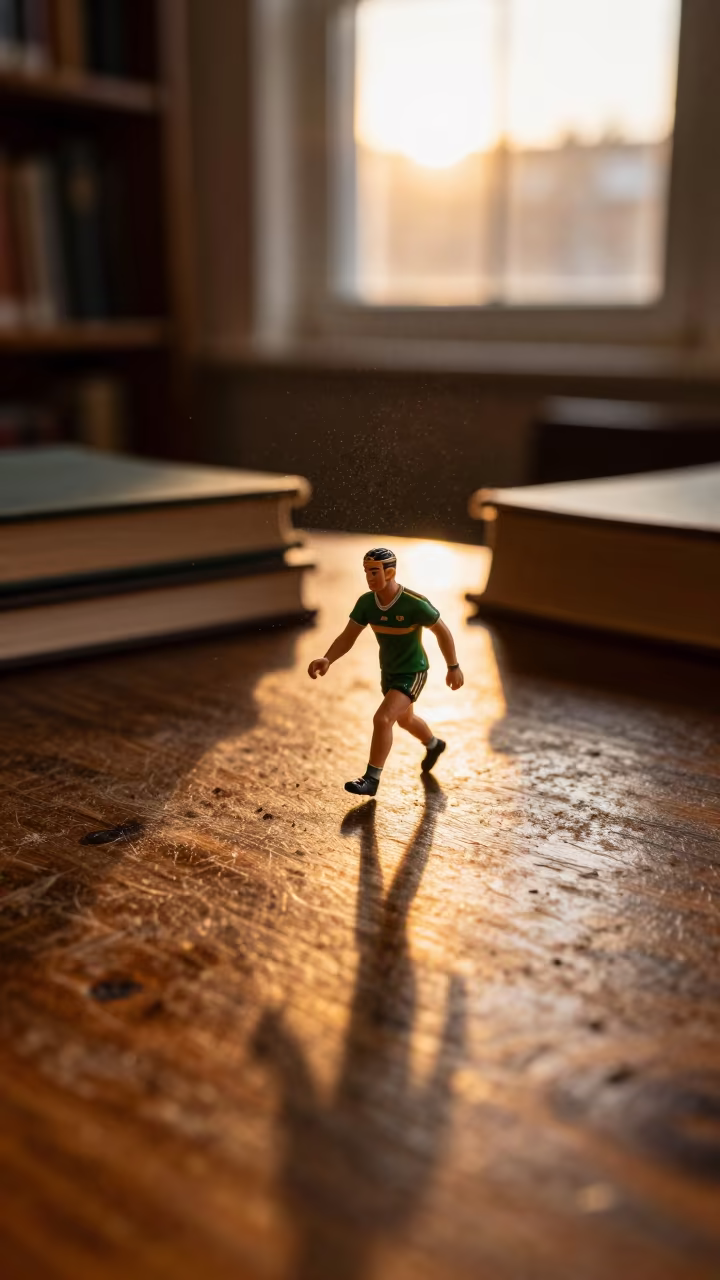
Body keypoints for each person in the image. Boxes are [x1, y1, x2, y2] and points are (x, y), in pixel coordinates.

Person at [307, 546, 464, 796]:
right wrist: (328, 658)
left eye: (374, 572)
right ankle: (434, 745)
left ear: (390, 573)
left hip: (412, 672)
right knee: (405, 720)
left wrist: (453, 666)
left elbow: (442, 631)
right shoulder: (366, 603)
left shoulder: (414, 604)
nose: (369, 578)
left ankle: (371, 779)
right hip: (389, 672)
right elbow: (348, 637)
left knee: (382, 719)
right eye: (366, 573)